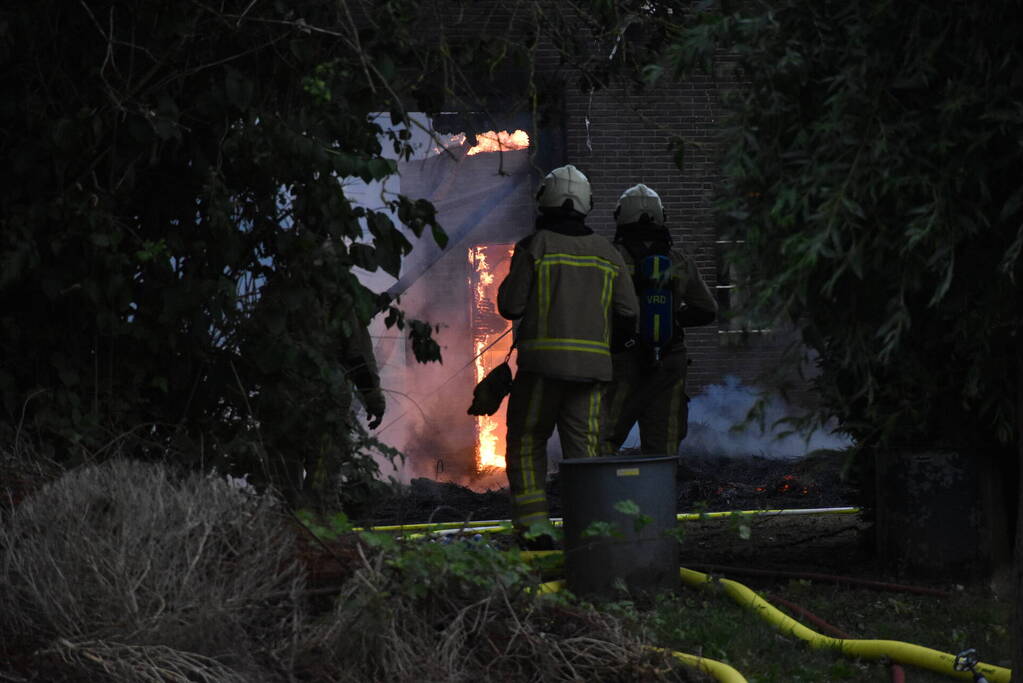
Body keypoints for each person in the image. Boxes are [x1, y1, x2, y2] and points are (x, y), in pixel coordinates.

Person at [497, 164, 638, 545]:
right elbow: (629, 314)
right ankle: (591, 532)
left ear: (545, 199)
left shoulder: (535, 245)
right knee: (586, 452)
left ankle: (534, 529)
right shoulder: (608, 252)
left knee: (527, 441)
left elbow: (510, 305)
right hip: (592, 374)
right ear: (587, 203)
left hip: (542, 370)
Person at [603, 183, 717, 457]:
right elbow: (707, 310)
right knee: (663, 447)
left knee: (602, 438)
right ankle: (657, 494)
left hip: (622, 361)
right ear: (661, 216)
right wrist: (670, 319)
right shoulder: (678, 261)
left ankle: (603, 494)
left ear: (621, 216)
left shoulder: (608, 257)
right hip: (669, 361)